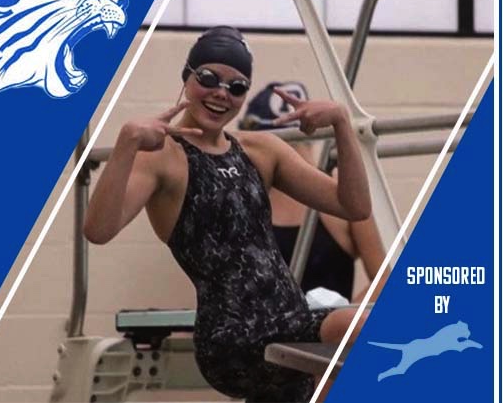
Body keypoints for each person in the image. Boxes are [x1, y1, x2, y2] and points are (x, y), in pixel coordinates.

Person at [83, 26, 370, 402]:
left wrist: (342, 123)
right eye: (209, 79)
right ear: (187, 77)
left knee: (366, 328)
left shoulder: (261, 150)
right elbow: (98, 229)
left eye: (236, 86)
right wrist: (127, 144)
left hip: (295, 323)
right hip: (233, 340)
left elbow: (355, 206)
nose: (221, 93)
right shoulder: (162, 158)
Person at [239, 82, 389, 303]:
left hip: (328, 335)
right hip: (266, 333)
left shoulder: (342, 197)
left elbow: (385, 279)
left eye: (294, 146)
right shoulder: (242, 200)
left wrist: (340, 320)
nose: (287, 157)